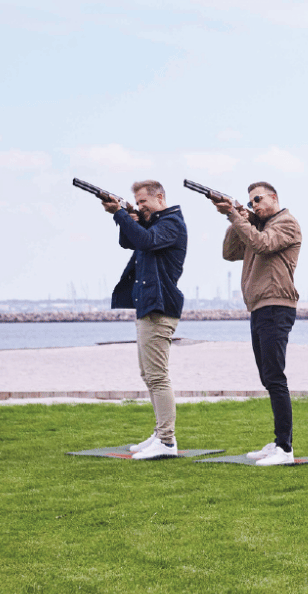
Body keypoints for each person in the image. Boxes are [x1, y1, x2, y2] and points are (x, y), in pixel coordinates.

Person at [216, 182, 302, 466]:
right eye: (251, 202)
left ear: (274, 197)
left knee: (275, 377)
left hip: (277, 305)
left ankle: (285, 449)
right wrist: (240, 217)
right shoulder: (254, 225)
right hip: (259, 307)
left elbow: (263, 244)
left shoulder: (286, 223)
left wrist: (236, 216)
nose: (255, 205)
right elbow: (230, 252)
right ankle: (279, 441)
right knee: (268, 377)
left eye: (258, 200)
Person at [101, 180, 187, 460]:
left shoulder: (171, 223)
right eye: (136, 203)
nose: (140, 207)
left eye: (143, 202)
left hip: (160, 307)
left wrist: (121, 214)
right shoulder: (154, 223)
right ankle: (160, 433)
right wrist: (128, 217)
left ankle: (166, 440)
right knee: (148, 375)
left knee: (158, 377)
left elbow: (145, 241)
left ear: (159, 197)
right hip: (148, 305)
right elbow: (130, 241)